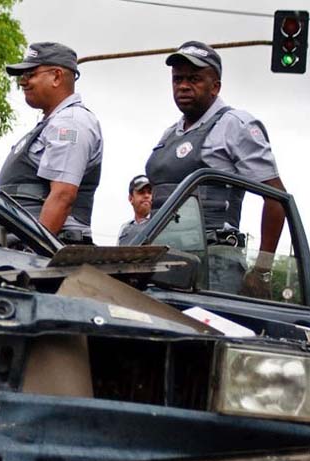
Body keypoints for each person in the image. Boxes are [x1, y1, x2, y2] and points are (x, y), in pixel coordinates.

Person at [144, 41, 286, 295]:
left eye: (194, 79)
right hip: (164, 262)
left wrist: (262, 271)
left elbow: (277, 200)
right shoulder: (169, 134)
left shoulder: (235, 125)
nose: (183, 86)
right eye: (178, 80)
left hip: (214, 265)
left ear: (215, 86)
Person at [0, 42, 103, 244]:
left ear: (56, 76)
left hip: (50, 252)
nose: (23, 82)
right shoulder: (52, 123)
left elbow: (63, 195)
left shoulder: (70, 124)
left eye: (31, 74)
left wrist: (33, 252)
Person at [117, 175, 152, 245]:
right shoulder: (124, 228)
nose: (146, 196)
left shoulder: (161, 224)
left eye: (149, 192)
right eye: (141, 192)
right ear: (130, 198)